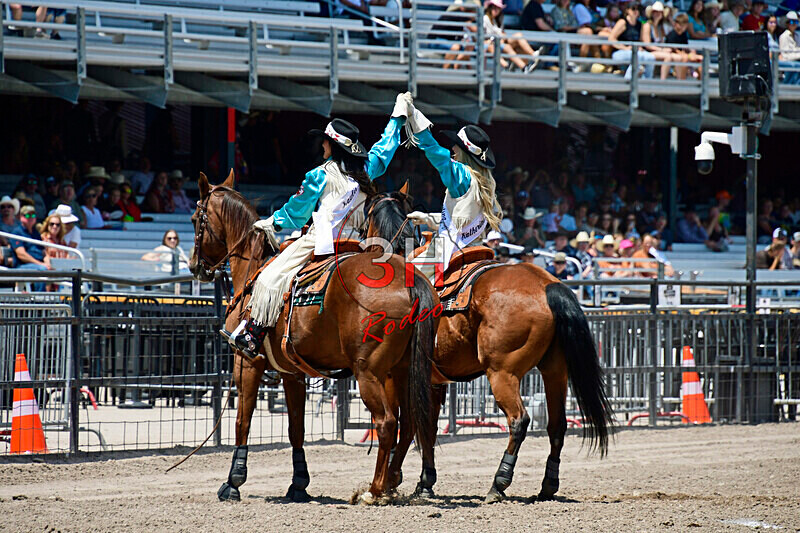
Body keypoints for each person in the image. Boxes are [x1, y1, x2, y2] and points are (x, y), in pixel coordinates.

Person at [226, 97, 411, 358]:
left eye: (325, 140)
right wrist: (397, 119)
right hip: (356, 246)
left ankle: (253, 333)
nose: (321, 144)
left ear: (333, 145)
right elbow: (386, 146)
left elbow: (297, 213)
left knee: (269, 277)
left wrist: (272, 222)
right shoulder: (367, 169)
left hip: (321, 241)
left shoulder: (319, 175)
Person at [405, 103, 504, 278]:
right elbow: (458, 221)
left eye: (456, 145)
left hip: (449, 248)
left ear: (465, 152)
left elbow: (435, 153)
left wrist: (414, 117)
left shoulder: (461, 175)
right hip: (477, 246)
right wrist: (427, 218)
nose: (453, 149)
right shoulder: (486, 183)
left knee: (406, 278)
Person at [483, 0, 542, 72]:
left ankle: (533, 56)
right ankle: (524, 66)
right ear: (489, 8)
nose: (496, 10)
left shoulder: (497, 20)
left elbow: (503, 33)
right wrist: (494, 40)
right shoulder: (485, 19)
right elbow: (481, 38)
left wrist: (502, 38)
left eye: (498, 8)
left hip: (500, 43)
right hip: (491, 45)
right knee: (507, 46)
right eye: (494, 7)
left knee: (518, 36)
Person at [609, 3, 657, 79]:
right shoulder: (623, 22)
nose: (636, 11)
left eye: (638, 9)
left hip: (635, 51)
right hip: (620, 52)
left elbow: (641, 41)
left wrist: (640, 47)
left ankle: (648, 81)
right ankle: (628, 81)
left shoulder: (640, 24)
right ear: (628, 10)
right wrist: (625, 48)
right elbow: (611, 39)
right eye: (633, 9)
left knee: (650, 57)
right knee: (637, 57)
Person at [9, 206, 51, 291]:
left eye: (33, 216)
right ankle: (40, 299)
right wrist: (40, 264)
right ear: (21, 217)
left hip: (39, 264)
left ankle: (64, 298)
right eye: (27, 216)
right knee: (42, 270)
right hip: (22, 266)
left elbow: (44, 252)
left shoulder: (36, 233)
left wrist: (47, 262)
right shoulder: (17, 232)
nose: (30, 218)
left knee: (60, 270)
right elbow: (21, 255)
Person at [642, 2, 683, 79]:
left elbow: (676, 30)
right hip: (649, 52)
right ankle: (662, 80)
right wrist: (662, 49)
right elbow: (647, 45)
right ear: (652, 13)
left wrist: (664, 49)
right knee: (668, 57)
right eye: (655, 12)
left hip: (659, 51)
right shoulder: (647, 25)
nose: (658, 14)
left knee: (678, 57)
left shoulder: (661, 27)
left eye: (660, 12)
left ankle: (679, 80)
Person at [666, 13, 704, 79]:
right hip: (674, 54)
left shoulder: (684, 34)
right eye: (681, 24)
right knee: (685, 58)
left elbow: (685, 47)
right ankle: (682, 79)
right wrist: (683, 54)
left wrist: (691, 52)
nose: (683, 27)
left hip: (684, 54)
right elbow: (672, 48)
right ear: (676, 24)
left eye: (684, 24)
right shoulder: (672, 35)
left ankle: (701, 80)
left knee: (701, 58)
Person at [779, 12, 800, 85]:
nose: (794, 24)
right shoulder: (784, 36)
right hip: (788, 64)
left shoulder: (798, 36)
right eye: (792, 22)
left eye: (796, 22)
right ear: (787, 23)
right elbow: (785, 56)